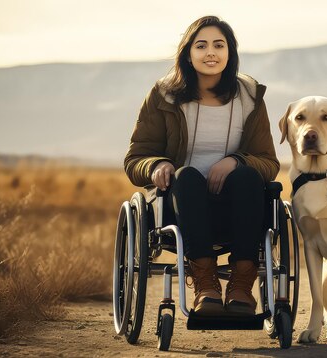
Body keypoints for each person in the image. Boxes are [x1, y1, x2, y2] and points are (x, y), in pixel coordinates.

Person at [124, 16, 279, 316]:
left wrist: (235, 161)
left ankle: (241, 286)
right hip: (180, 207)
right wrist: (156, 165)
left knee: (247, 176)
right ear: (188, 52)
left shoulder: (250, 98)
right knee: (187, 176)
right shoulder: (163, 96)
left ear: (230, 52)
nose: (211, 53)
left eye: (219, 45)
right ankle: (205, 282)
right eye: (202, 45)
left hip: (237, 207)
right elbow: (135, 159)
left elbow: (269, 162)